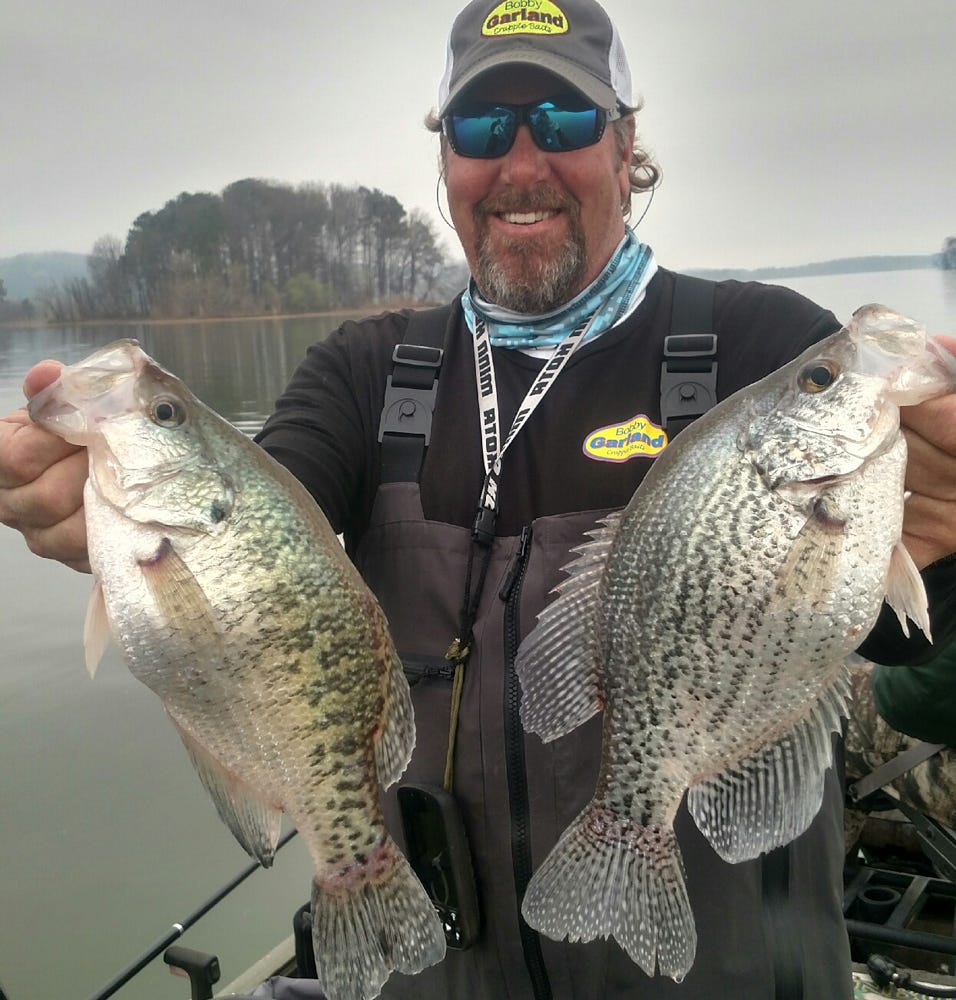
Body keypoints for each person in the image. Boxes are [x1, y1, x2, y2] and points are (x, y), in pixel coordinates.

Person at [2, 1, 956, 997]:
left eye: (566, 120)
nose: (521, 160)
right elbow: (258, 533)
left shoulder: (762, 350)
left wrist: (944, 551)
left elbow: (898, 638)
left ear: (627, 146)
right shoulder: (364, 373)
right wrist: (111, 517)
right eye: (482, 127)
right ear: (447, 159)